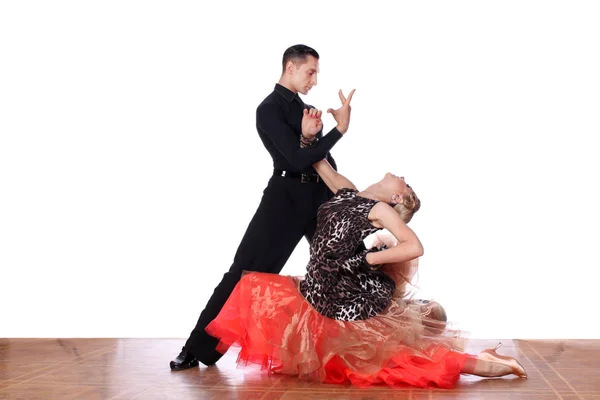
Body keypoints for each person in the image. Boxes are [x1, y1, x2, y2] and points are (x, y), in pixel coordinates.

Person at [204, 159, 528, 388]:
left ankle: (495, 364)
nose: (401, 174)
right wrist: (321, 131)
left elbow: (413, 246)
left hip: (346, 307)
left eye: (406, 182)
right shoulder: (349, 194)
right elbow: (320, 164)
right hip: (318, 294)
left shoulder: (380, 209)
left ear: (397, 197)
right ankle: (199, 351)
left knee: (405, 364)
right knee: (251, 288)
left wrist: (372, 261)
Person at [170, 44, 356, 370]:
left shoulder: (309, 110)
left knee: (345, 267)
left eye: (316, 73)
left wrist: (337, 193)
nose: (314, 80)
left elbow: (320, 160)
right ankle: (195, 348)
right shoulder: (268, 109)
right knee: (244, 274)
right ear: (290, 67)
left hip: (319, 198)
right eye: (310, 71)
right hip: (284, 199)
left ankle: (357, 352)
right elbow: (297, 159)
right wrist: (339, 130)